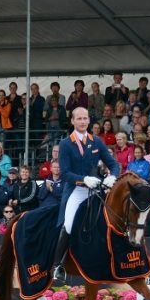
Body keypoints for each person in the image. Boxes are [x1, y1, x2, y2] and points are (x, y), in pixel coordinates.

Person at [51, 107, 120, 282]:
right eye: (79, 119)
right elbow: (65, 173)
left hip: (96, 189)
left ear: (89, 121)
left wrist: (112, 176)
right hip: (76, 190)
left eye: (85, 118)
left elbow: (113, 164)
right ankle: (57, 265)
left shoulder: (97, 141)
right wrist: (84, 180)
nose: (82, 121)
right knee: (68, 223)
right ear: (73, 121)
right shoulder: (66, 144)